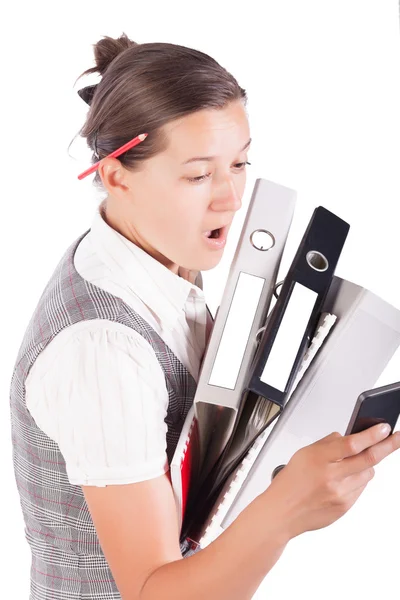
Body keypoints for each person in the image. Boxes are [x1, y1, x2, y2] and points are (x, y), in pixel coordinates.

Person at [9, 32, 400, 600]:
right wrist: (284, 511)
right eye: (198, 175)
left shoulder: (156, 257)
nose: (231, 198)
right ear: (117, 176)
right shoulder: (102, 350)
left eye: (240, 163)